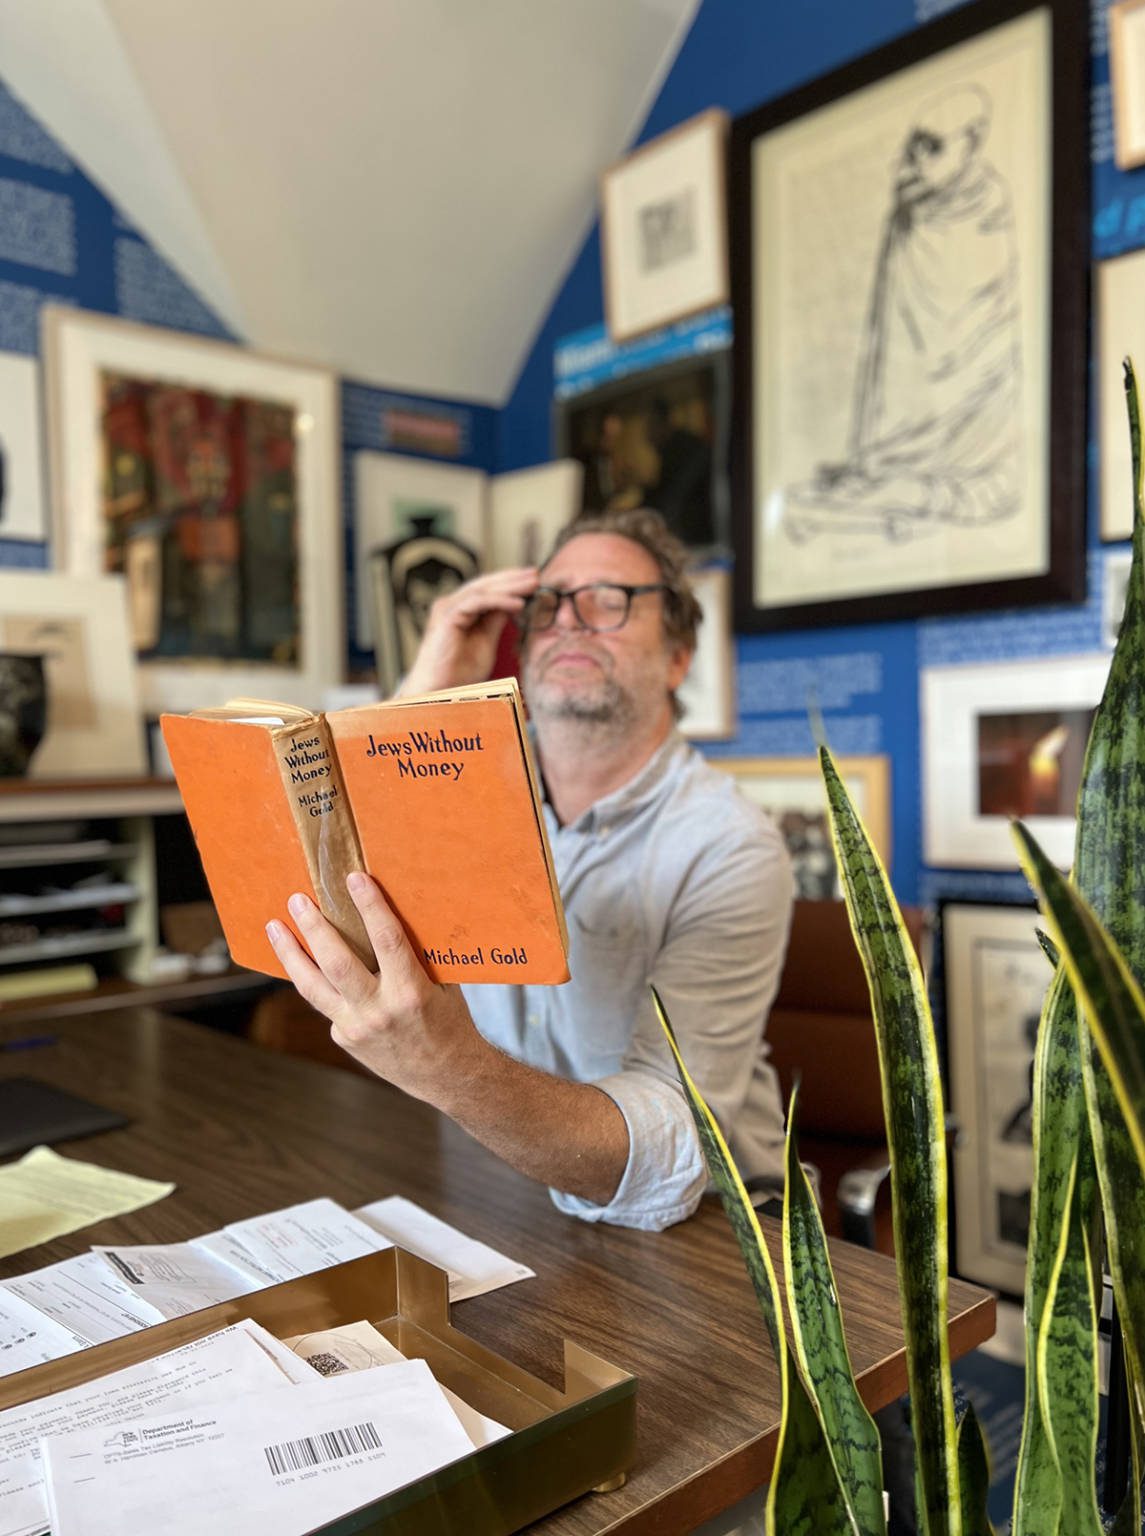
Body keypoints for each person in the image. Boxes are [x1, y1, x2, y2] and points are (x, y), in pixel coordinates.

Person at [266, 508, 794, 1231]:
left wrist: (449, 1067)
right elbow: (337, 880)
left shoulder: (730, 845)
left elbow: (672, 1135)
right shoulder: (453, 791)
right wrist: (423, 694)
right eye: (549, 603)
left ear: (678, 657)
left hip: (696, 1231)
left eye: (607, 600)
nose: (569, 620)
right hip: (489, 1195)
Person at [785, 83, 1023, 543]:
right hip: (896, 437)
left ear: (971, 142)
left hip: (966, 439)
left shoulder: (990, 212)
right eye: (913, 147)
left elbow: (964, 342)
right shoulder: (909, 212)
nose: (914, 162)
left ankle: (904, 483)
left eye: (932, 147)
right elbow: (891, 343)